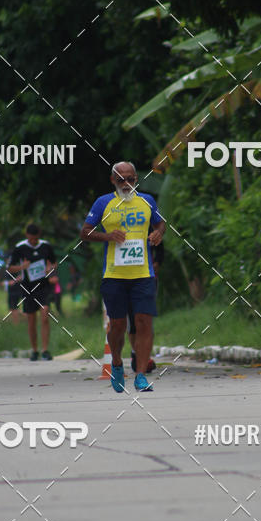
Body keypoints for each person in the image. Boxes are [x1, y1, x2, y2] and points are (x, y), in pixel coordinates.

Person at [80, 161, 166, 393]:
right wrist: (107, 236)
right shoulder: (103, 203)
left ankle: (140, 375)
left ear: (136, 179)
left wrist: (158, 233)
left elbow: (160, 223)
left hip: (143, 274)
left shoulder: (147, 201)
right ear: (112, 180)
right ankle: (117, 363)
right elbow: (85, 232)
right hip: (114, 275)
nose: (126, 184)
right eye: (121, 180)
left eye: (131, 179)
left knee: (144, 322)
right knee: (118, 326)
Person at [8, 223, 57, 360]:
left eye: (36, 239)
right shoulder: (20, 247)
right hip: (27, 287)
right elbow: (10, 268)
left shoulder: (46, 246)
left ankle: (45, 350)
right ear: (27, 236)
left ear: (39, 236)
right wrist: (22, 267)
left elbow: (54, 263)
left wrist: (50, 269)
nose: (34, 242)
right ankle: (35, 350)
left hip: (43, 286)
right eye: (31, 239)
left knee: (45, 314)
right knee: (31, 320)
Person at [129, 238, 164, 372]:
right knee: (132, 322)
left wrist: (156, 263)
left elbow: (160, 248)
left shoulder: (149, 221)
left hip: (146, 278)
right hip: (123, 278)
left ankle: (145, 357)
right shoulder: (116, 220)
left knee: (145, 318)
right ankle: (135, 353)